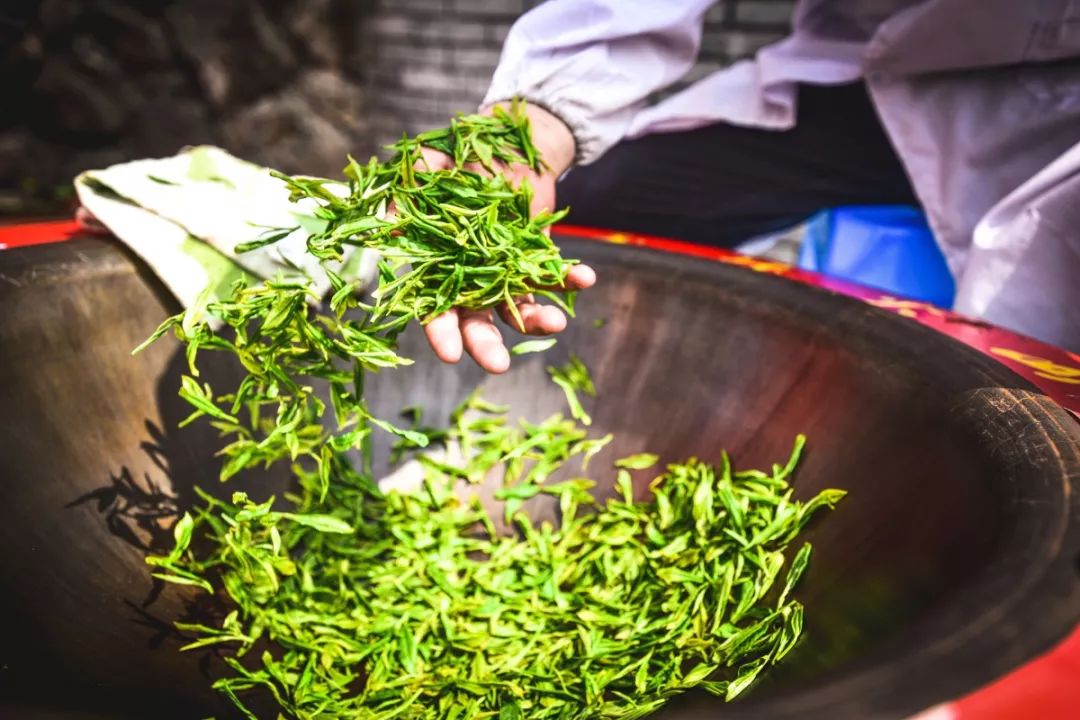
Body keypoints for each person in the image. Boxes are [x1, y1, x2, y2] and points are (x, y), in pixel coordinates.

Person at [422, 0, 1080, 372]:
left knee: (1017, 367)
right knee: (602, 197)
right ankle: (594, 381)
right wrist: (535, 121)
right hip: (874, 74)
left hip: (1059, 124)